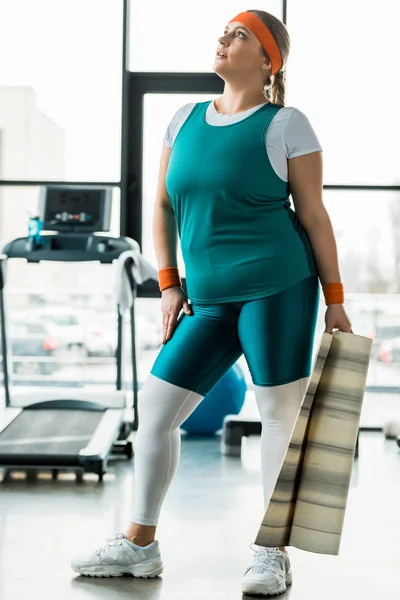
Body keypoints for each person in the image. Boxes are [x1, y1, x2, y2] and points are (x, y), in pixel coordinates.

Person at [71, 8, 352, 596]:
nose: (224, 39)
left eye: (240, 34)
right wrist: (170, 283)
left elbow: (314, 215)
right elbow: (164, 206)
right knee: (157, 413)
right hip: (206, 297)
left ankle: (269, 554)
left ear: (268, 59)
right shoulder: (184, 120)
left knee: (277, 418)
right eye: (224, 31)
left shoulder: (286, 124)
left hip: (278, 286)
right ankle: (138, 545)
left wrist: (335, 299)